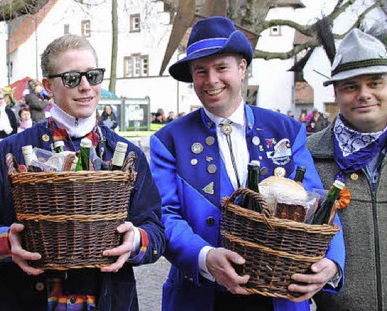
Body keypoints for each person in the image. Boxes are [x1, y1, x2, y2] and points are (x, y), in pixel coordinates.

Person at [148, 16, 345, 310]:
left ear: (242, 68)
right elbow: (165, 214)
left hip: (280, 296)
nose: (211, 80)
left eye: (221, 67)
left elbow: (319, 204)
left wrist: (332, 261)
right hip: (202, 295)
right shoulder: (169, 140)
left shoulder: (286, 130)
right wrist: (203, 257)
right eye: (201, 71)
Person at [0, 34, 165, 310]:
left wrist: (134, 242)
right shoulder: (9, 150)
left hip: (107, 299)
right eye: (72, 78)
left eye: (93, 76)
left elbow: (155, 230)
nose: (86, 87)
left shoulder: (128, 154)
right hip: (26, 298)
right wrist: (6, 242)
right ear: (48, 86)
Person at [308, 29, 387, 310]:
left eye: (375, 83)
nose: (364, 95)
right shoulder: (308, 158)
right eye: (351, 86)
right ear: (336, 93)